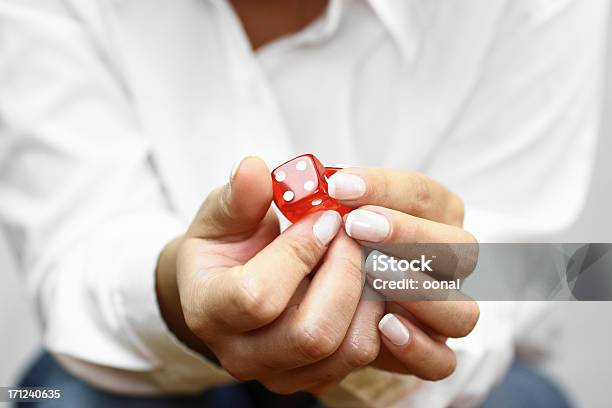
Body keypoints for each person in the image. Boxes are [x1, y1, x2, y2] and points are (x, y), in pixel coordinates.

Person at [0, 0, 608, 406]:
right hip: (153, 368)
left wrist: (411, 316)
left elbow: (533, 265)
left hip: (438, 387)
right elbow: (76, 257)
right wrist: (178, 290)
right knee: (48, 397)